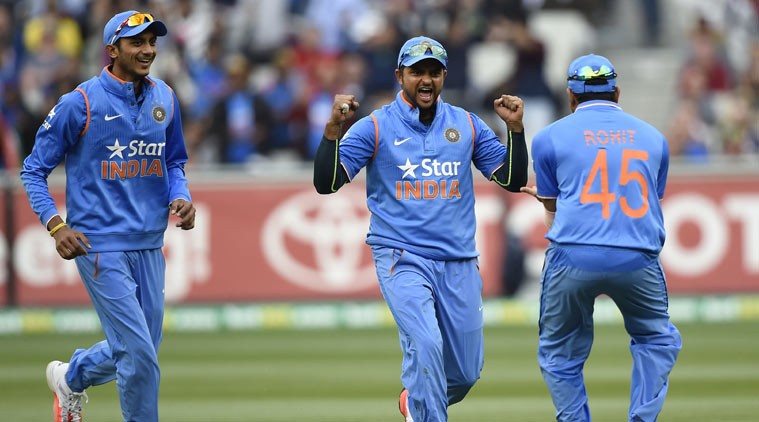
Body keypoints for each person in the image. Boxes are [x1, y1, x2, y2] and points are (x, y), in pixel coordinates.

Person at [313, 36, 528, 422]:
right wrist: (333, 131)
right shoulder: (375, 126)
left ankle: (414, 403)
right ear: (400, 76)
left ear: (444, 75)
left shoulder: (466, 124)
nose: (426, 80)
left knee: (465, 373)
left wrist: (514, 130)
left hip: (459, 261)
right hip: (402, 257)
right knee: (426, 344)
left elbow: (511, 179)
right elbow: (326, 184)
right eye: (417, 72)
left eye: (434, 71)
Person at [20, 10, 195, 422]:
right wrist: (56, 225)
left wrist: (181, 196)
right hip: (99, 245)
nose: (148, 50)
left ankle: (71, 378)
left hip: (149, 243)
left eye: (152, 42)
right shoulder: (80, 103)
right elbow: (33, 170)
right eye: (137, 43)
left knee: (140, 349)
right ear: (112, 50)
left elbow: (174, 161)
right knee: (138, 355)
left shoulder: (165, 98)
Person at [520, 53, 682, 421]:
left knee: (559, 353)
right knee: (656, 340)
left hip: (573, 255)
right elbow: (648, 199)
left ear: (570, 95)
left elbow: (553, 208)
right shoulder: (655, 139)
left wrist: (550, 204)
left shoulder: (547, 138)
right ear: (617, 92)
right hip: (637, 257)